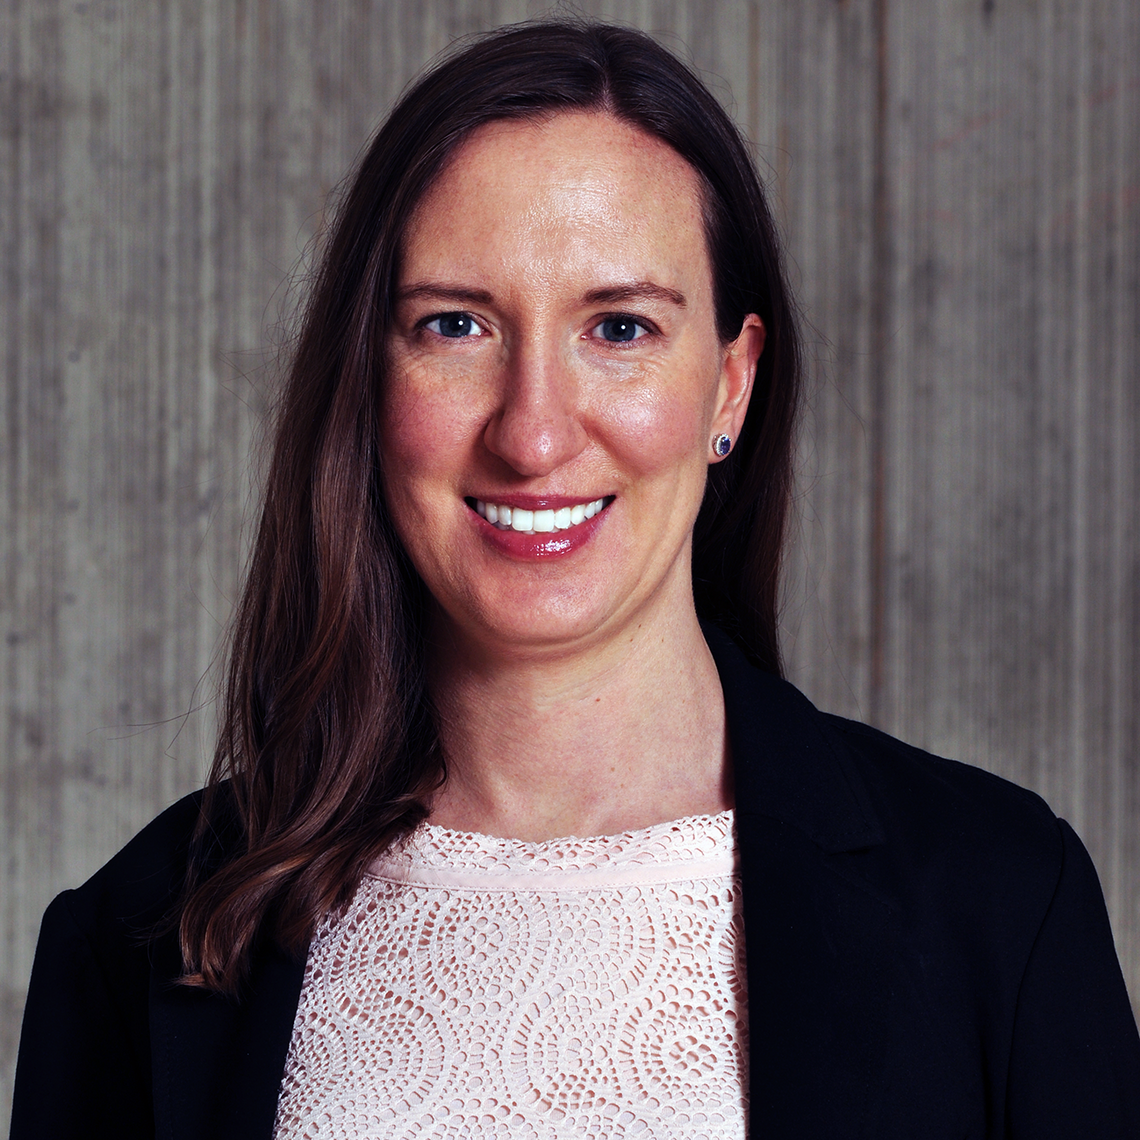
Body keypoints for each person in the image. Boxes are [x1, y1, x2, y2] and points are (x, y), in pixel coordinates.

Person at [10, 20, 1140, 1140]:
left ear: (732, 385)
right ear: (368, 379)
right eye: (455, 325)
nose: (534, 434)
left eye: (620, 327)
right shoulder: (134, 940)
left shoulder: (1003, 904)